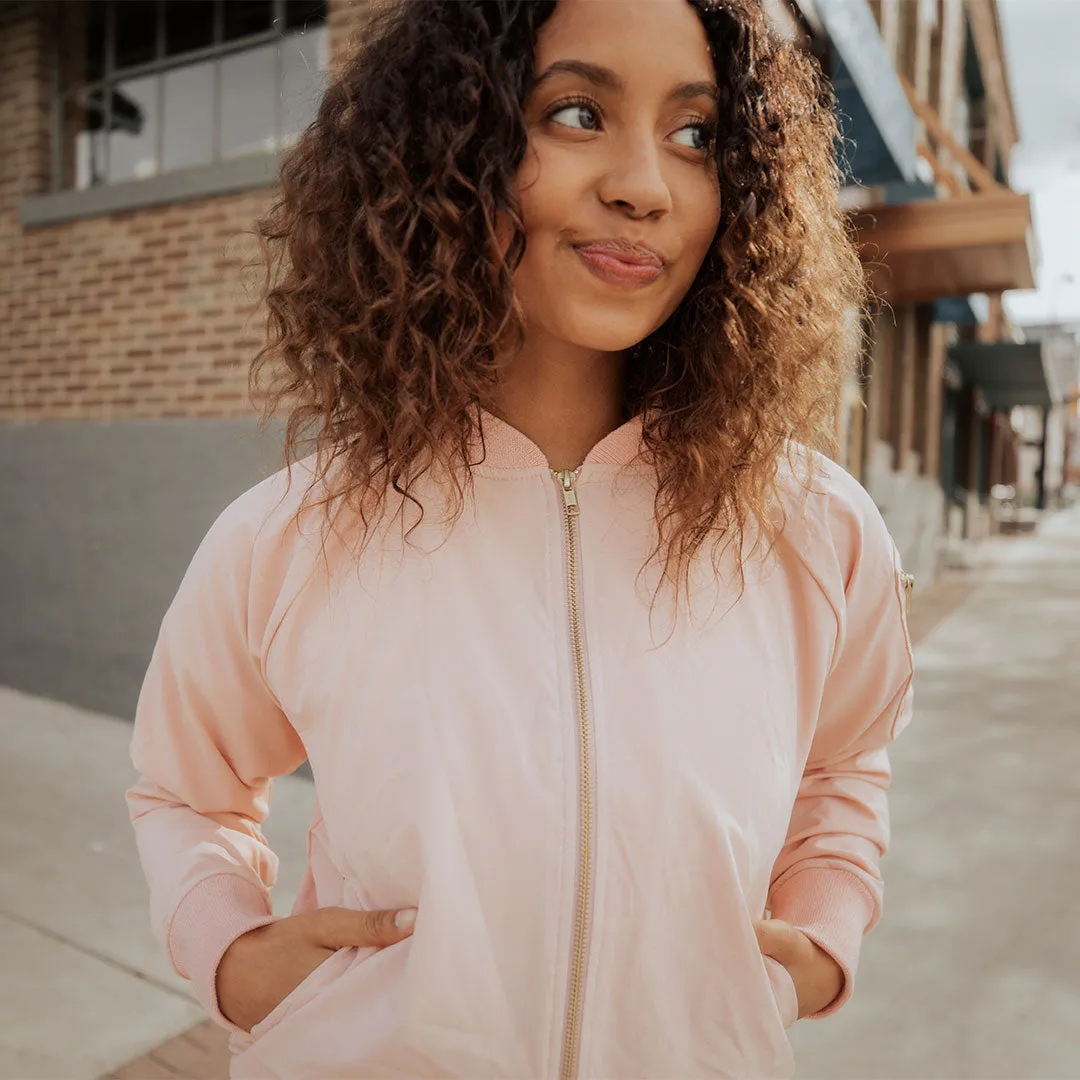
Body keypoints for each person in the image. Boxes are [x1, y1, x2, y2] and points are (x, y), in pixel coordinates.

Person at [125, 0, 915, 1076]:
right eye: (577, 113)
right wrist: (229, 950)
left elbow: (846, 759)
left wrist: (820, 939)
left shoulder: (815, 529)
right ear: (449, 149)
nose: (646, 184)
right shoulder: (291, 536)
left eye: (696, 136)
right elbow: (185, 790)